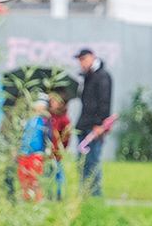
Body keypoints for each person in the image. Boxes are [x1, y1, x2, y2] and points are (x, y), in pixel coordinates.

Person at [74, 48, 112, 197]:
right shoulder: (87, 78)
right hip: (83, 126)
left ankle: (95, 195)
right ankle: (84, 194)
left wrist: (100, 125)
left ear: (92, 57)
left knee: (92, 162)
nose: (81, 63)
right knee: (82, 162)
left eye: (84, 59)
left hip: (94, 129)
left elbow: (105, 102)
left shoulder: (103, 76)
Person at [17, 95, 50, 202]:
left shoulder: (45, 121)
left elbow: (48, 137)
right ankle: (25, 197)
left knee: (35, 178)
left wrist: (47, 150)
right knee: (23, 176)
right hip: (24, 153)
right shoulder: (26, 119)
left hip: (37, 153)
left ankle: (38, 199)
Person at [48, 93, 72, 200]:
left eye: (54, 101)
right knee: (48, 173)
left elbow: (66, 136)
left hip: (57, 152)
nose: (51, 103)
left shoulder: (64, 119)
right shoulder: (48, 117)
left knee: (58, 173)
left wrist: (61, 148)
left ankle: (59, 193)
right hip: (48, 152)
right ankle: (49, 193)